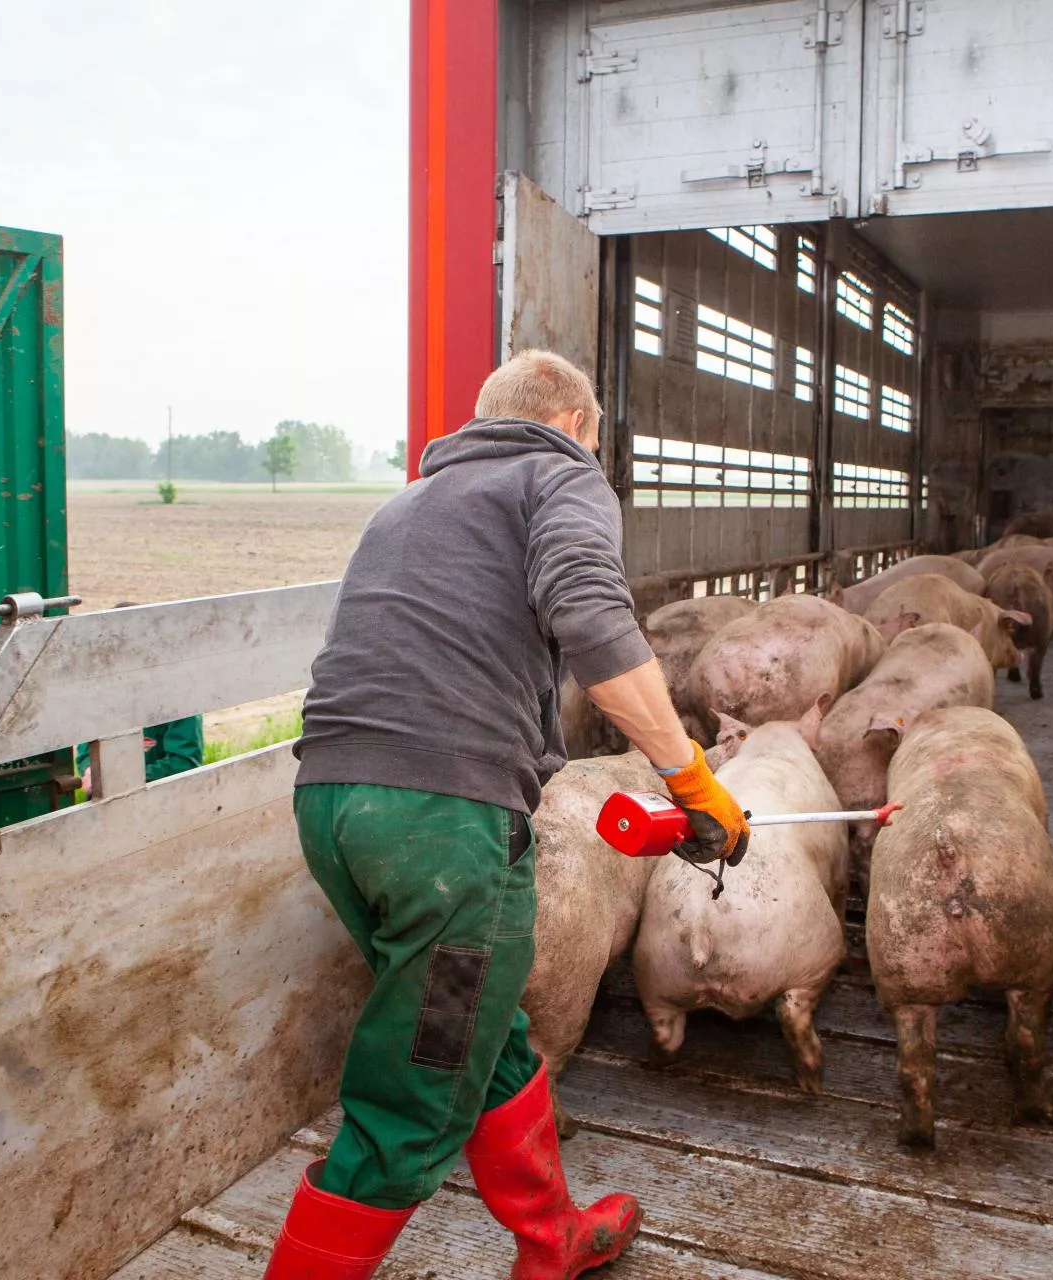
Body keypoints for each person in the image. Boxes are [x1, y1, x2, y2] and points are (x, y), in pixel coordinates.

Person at [264, 351, 750, 1278]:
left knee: (485, 1029)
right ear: (572, 422)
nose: (592, 455)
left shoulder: (404, 505)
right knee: (411, 1099)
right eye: (594, 440)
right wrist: (689, 777)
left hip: (332, 805)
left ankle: (551, 1234)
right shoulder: (559, 475)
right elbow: (595, 621)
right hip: (442, 829)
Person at [76, 603, 206, 793]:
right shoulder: (101, 693)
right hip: (107, 798)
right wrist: (90, 770)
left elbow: (183, 762)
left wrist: (122, 780)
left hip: (160, 798)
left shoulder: (177, 695)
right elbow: (85, 749)